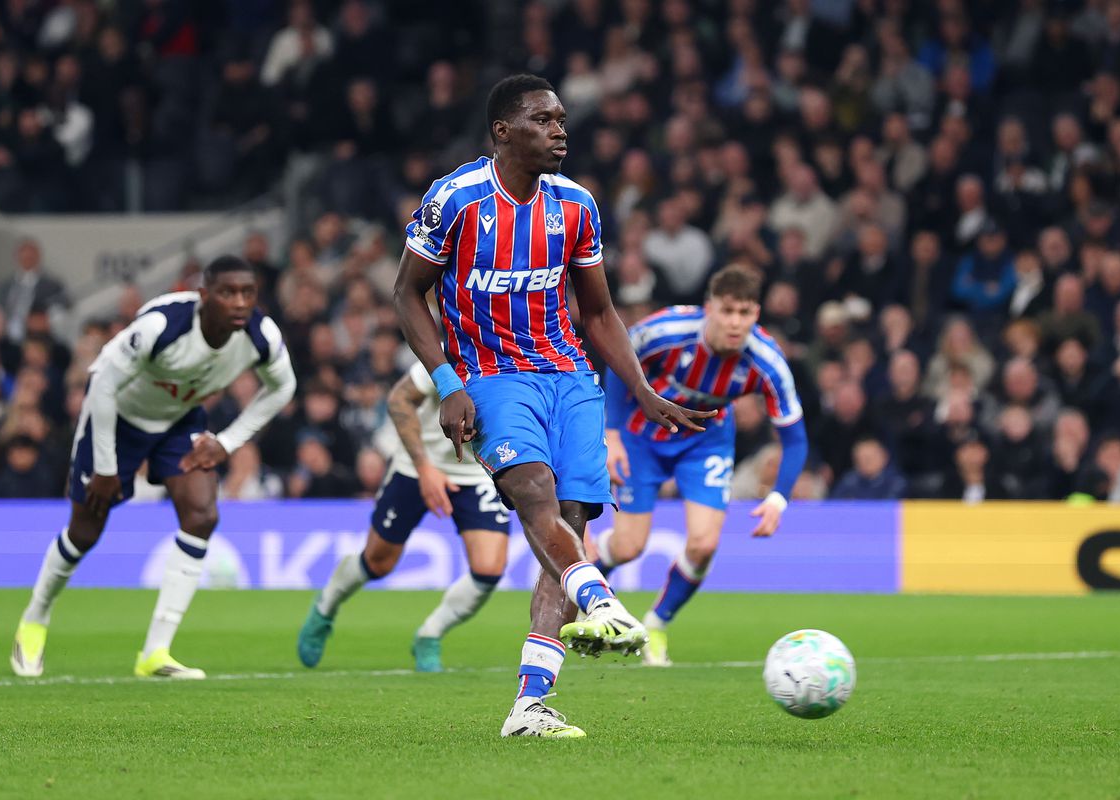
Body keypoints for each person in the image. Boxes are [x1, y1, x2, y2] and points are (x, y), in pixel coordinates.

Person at [393, 74, 710, 738]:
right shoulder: (455, 200)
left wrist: (644, 391)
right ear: (504, 132)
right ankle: (602, 601)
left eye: (562, 119)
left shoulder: (576, 206)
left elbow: (597, 311)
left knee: (566, 528)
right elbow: (406, 294)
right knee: (534, 492)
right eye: (544, 119)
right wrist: (448, 382)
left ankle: (529, 707)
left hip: (569, 375)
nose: (561, 130)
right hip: (490, 375)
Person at [10, 256, 297, 679]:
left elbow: (283, 387)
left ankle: (155, 653)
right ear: (204, 296)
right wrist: (107, 468)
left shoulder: (261, 336)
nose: (239, 302)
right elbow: (102, 386)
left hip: (178, 421)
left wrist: (226, 442)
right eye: (227, 292)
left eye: (247, 293)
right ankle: (35, 618)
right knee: (85, 530)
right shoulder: (162, 326)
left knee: (202, 515)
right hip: (116, 418)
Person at [594, 266, 808, 666]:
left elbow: (794, 438)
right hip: (642, 438)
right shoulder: (667, 330)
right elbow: (618, 360)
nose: (735, 322)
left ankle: (655, 625)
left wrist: (778, 498)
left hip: (705, 442)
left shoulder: (767, 360)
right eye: (727, 311)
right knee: (628, 546)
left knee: (705, 544)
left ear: (756, 314)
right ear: (709, 308)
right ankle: (584, 574)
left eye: (744, 313)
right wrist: (614, 434)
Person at [296, 361, 512, 673]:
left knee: (489, 569)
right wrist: (424, 469)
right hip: (416, 467)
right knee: (378, 561)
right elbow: (399, 399)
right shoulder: (453, 351)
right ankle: (325, 606)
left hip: (477, 473)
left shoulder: (521, 356)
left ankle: (430, 634)